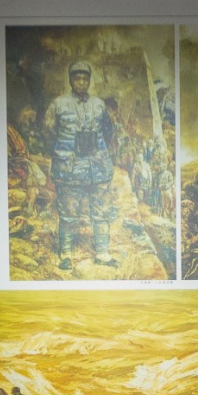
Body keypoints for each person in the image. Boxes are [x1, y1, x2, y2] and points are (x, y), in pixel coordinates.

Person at [43, 60, 116, 264]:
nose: (82, 82)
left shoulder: (99, 105)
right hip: (69, 169)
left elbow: (108, 131)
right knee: (68, 214)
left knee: (101, 212)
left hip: (97, 168)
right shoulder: (58, 105)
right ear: (70, 80)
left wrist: (98, 151)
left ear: (89, 81)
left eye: (85, 78)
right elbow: (47, 132)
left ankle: (102, 253)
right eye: (77, 78)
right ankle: (66, 253)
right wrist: (64, 150)